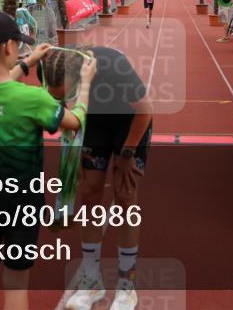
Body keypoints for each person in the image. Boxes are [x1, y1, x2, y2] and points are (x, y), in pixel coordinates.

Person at [0, 11, 93, 310]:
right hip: (23, 199)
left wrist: (29, 61)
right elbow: (74, 122)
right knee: (16, 284)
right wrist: (85, 84)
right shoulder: (33, 99)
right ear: (9, 46)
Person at [41, 46, 153, 310]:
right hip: (92, 121)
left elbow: (145, 110)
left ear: (82, 75)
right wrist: (73, 152)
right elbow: (63, 112)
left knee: (125, 195)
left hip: (129, 120)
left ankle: (127, 286)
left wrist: (127, 154)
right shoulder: (50, 67)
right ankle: (92, 281)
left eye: (69, 91)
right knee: (89, 191)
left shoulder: (114, 67)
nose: (65, 97)